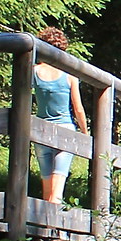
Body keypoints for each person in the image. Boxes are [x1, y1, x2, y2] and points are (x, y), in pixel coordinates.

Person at [31, 27, 86, 206]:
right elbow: (78, 108)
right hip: (65, 131)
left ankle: (44, 230)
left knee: (47, 190)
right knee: (57, 191)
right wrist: (84, 132)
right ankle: (55, 231)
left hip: (41, 130)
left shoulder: (33, 72)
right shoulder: (69, 75)